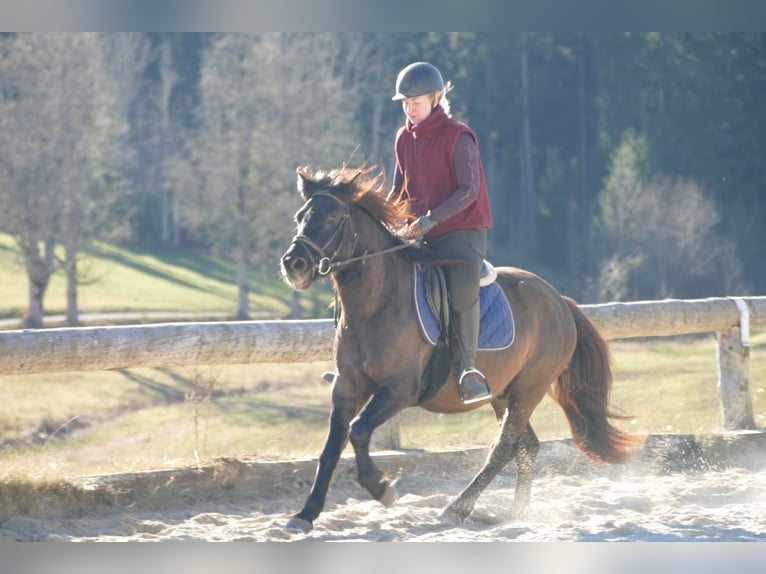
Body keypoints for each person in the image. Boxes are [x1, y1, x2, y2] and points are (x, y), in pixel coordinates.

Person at [389, 61, 493, 404]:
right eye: (405, 102)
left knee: (461, 287)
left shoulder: (458, 136)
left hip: (462, 232)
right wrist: (384, 221)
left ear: (436, 98)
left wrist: (430, 220)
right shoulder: (404, 137)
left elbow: (468, 191)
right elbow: (398, 191)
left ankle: (468, 368)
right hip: (421, 233)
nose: (410, 107)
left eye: (416, 101)